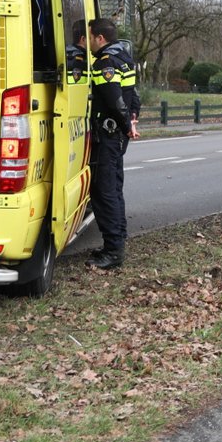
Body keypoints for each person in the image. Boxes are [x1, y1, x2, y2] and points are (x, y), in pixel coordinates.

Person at [85, 18, 139, 269]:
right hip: (118, 135)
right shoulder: (125, 57)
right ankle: (118, 240)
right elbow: (133, 94)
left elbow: (114, 96)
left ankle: (113, 251)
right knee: (115, 187)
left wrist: (126, 124)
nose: (87, 43)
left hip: (108, 134)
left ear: (100, 38)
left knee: (104, 191)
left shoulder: (104, 62)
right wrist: (132, 118)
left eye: (90, 38)